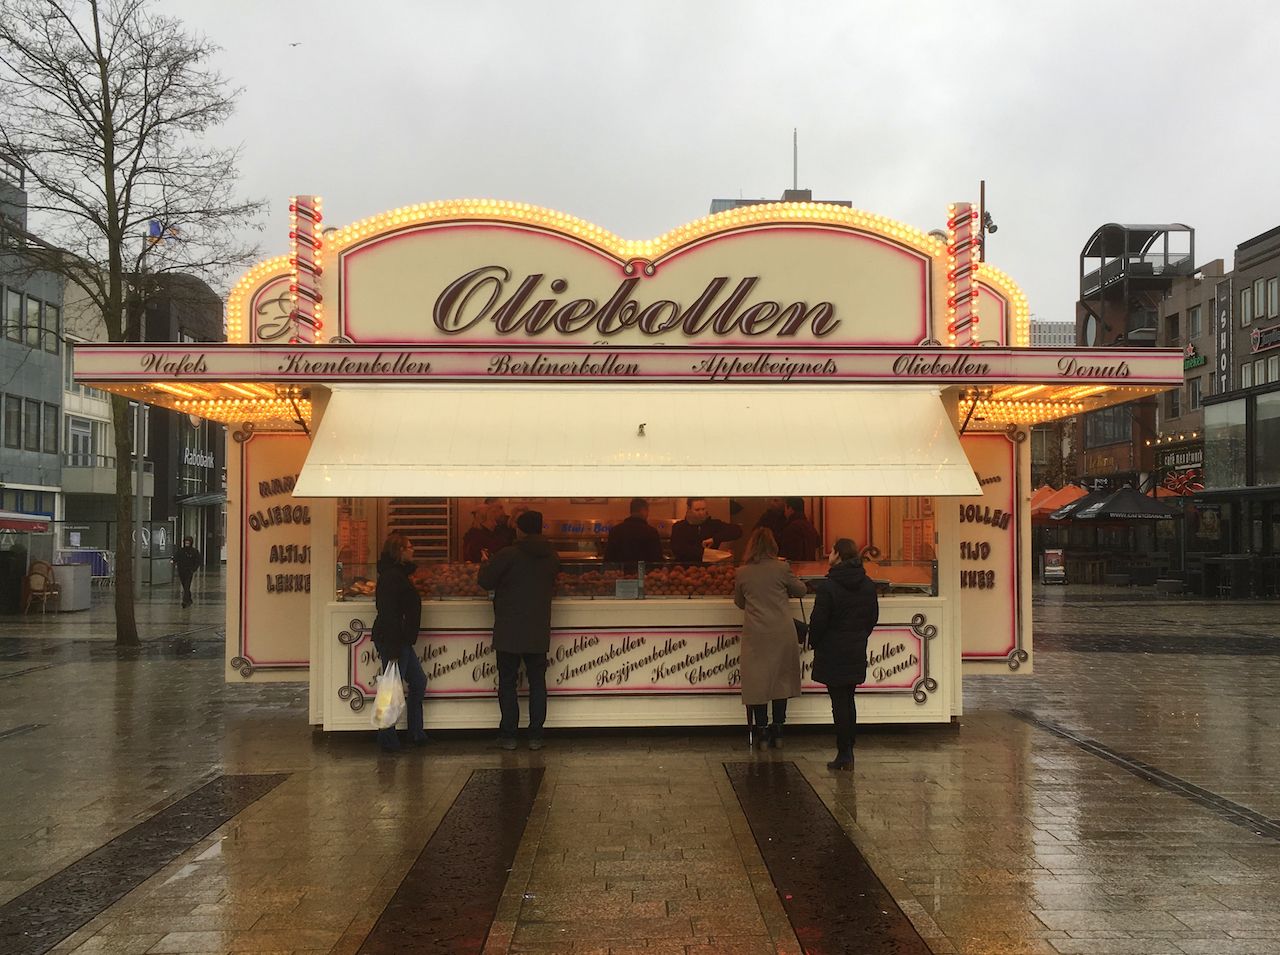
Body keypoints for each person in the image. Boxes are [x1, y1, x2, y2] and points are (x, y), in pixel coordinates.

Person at [477, 509, 560, 750]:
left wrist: (484, 564)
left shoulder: (508, 555)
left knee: (507, 682)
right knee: (537, 683)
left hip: (509, 628)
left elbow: (486, 581)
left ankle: (509, 735)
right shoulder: (551, 556)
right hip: (537, 627)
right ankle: (536, 735)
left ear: (520, 529)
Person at [808, 538, 880, 771]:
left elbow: (819, 622)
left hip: (833, 649)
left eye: (831, 551)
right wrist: (859, 636)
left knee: (839, 701)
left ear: (837, 555)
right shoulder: (868, 585)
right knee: (848, 699)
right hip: (855, 647)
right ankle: (848, 748)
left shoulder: (828, 587)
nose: (829, 554)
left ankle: (844, 752)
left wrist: (814, 642)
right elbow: (872, 618)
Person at [733, 528, 807, 748]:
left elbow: (739, 602)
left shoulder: (742, 572)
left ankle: (762, 730)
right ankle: (779, 728)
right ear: (773, 546)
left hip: (756, 633)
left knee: (758, 680)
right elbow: (801, 590)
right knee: (780, 679)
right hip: (781, 631)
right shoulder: (782, 568)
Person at [371, 533, 427, 752]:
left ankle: (415, 732)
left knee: (417, 681)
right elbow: (389, 613)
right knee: (391, 687)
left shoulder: (396, 575)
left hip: (400, 640)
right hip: (394, 640)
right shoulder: (392, 577)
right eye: (409, 546)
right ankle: (387, 738)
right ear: (399, 551)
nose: (413, 550)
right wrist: (394, 646)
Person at [670, 498, 742, 563]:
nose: (701, 513)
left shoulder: (713, 524)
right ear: (689, 509)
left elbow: (737, 531)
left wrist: (714, 539)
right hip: (685, 569)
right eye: (697, 510)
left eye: (703, 509)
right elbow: (678, 549)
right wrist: (706, 554)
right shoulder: (679, 527)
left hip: (709, 569)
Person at [604, 497, 663, 565]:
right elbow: (657, 559)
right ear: (643, 510)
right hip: (643, 573)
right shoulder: (651, 532)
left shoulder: (615, 531)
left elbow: (608, 559)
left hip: (621, 573)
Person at [776, 497, 819, 562]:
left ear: (790, 508)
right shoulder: (811, 527)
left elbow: (786, 555)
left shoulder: (791, 529)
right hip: (810, 567)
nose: (784, 512)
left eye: (785, 508)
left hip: (796, 569)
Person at [173, 537, 202, 608]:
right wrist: (173, 560)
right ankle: (189, 599)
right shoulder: (180, 551)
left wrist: (193, 569)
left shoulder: (194, 551)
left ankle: (185, 601)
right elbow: (176, 557)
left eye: (188, 543)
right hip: (181, 571)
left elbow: (197, 561)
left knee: (187, 586)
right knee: (184, 585)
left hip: (189, 571)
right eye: (186, 543)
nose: (187, 544)